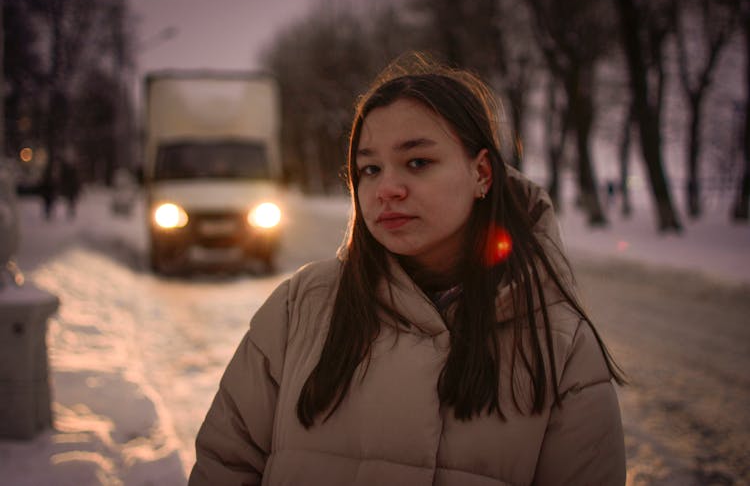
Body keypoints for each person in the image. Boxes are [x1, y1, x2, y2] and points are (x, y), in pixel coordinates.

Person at [189, 55, 626, 486]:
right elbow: (224, 466)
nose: (386, 190)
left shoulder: (561, 343)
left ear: (482, 174)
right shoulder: (299, 307)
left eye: (417, 162)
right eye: (370, 169)